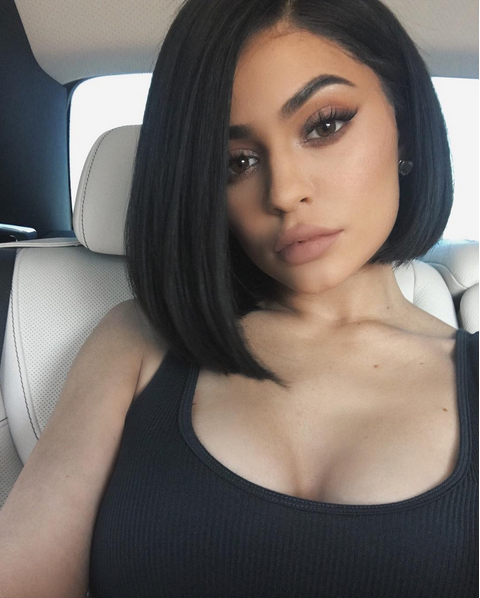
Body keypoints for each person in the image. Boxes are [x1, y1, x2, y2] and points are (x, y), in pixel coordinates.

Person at [1, 1, 477, 597]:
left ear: (404, 125)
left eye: (325, 125)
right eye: (237, 162)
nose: (284, 192)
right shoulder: (138, 341)